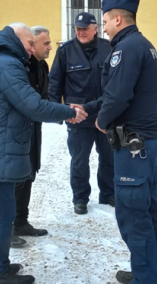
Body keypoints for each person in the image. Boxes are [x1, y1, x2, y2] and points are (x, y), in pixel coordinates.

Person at [0, 23, 86, 284]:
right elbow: (32, 105)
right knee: (3, 212)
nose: (32, 50)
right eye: (30, 44)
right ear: (16, 39)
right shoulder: (7, 65)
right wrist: (69, 112)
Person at [84, 0, 157, 284]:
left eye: (105, 21)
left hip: (136, 147)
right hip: (150, 143)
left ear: (118, 19)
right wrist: (88, 107)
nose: (103, 27)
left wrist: (101, 122)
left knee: (133, 214)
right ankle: (146, 271)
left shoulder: (126, 49)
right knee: (146, 211)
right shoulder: (142, 45)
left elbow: (117, 96)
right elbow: (113, 93)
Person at [48, 12, 114, 215]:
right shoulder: (65, 51)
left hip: (105, 115)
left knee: (109, 158)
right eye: (78, 29)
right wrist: (58, 112)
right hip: (78, 117)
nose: (81, 32)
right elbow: (54, 83)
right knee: (79, 160)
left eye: (85, 28)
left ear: (96, 29)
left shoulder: (109, 48)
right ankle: (80, 198)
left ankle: (109, 194)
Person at [12, 26, 53, 242]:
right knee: (16, 178)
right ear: (32, 44)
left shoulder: (42, 66)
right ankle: (8, 227)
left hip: (34, 127)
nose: (49, 47)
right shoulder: (21, 67)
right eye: (45, 43)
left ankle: (21, 222)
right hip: (18, 130)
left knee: (29, 173)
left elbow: (43, 98)